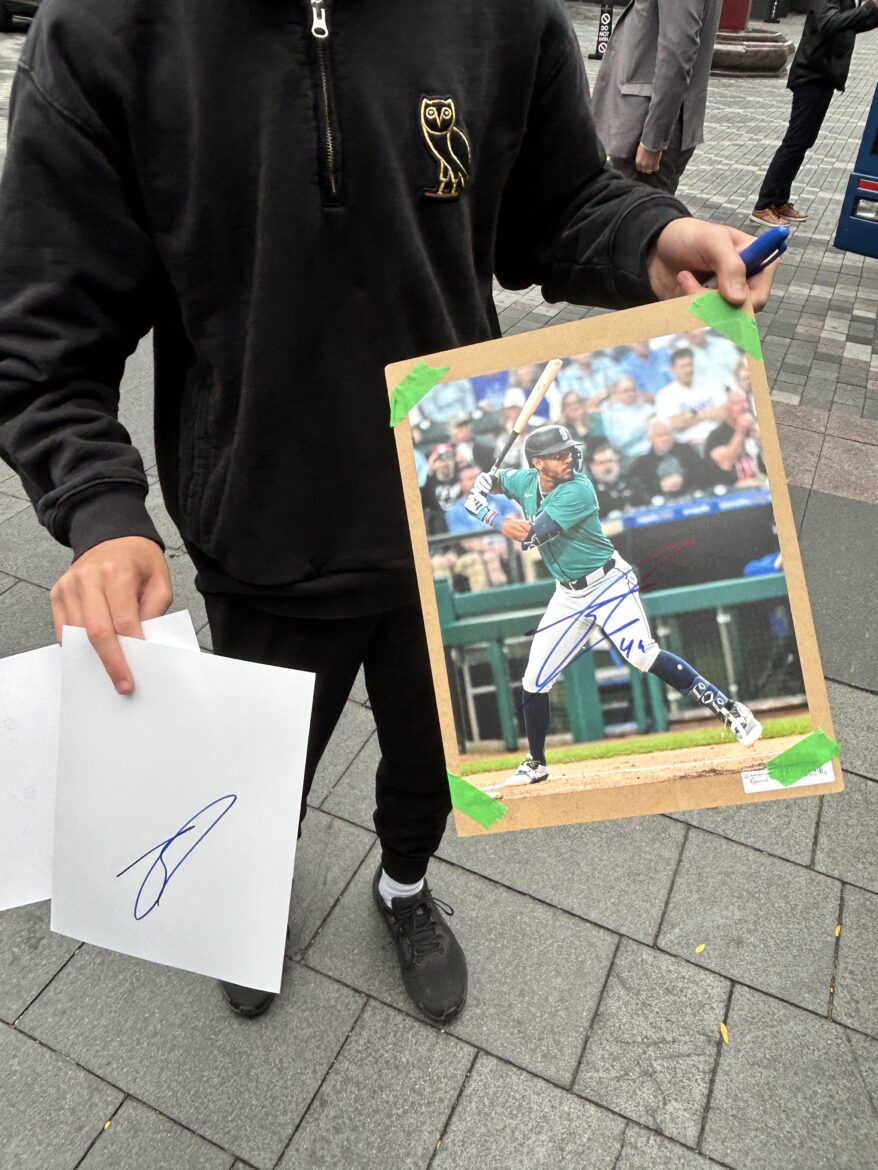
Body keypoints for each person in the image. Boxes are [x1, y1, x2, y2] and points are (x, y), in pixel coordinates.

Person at [0, 0, 774, 1024]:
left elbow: (560, 202)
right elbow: (42, 339)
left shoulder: (498, 15)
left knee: (434, 759)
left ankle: (402, 886)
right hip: (262, 528)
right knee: (254, 774)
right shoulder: (105, 29)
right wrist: (102, 512)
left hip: (450, 538)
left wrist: (647, 236)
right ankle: (248, 898)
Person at [464, 425, 763, 786]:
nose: (569, 458)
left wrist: (486, 514)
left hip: (609, 584)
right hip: (568, 595)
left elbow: (531, 535)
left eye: (569, 451)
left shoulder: (578, 489)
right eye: (559, 455)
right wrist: (487, 482)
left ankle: (729, 710)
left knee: (640, 654)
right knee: (534, 679)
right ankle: (536, 762)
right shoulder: (526, 480)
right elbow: (503, 480)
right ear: (538, 463)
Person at [751, 0, 878, 227]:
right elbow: (829, 24)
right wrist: (870, 8)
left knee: (803, 142)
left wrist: (873, 14)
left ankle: (779, 200)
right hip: (811, 76)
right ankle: (763, 205)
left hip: (824, 77)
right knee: (794, 142)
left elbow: (849, 26)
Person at [592, 0, 724, 194]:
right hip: (652, 123)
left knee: (636, 219)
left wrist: (652, 141)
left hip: (646, 127)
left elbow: (677, 53)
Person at [655, 347, 727, 450]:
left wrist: (691, 417)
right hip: (691, 446)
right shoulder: (664, 395)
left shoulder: (711, 385)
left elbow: (724, 413)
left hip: (720, 438)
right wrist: (708, 414)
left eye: (690, 365)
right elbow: (677, 424)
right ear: (673, 369)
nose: (688, 370)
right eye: (683, 366)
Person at [628, 417, 712, 501]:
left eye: (667, 434)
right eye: (660, 436)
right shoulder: (642, 463)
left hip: (692, 497)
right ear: (651, 439)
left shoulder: (687, 450)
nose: (665, 439)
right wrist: (660, 486)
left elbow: (703, 474)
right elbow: (639, 489)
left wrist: (683, 479)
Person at [704, 388, 765, 489]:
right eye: (737, 403)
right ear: (727, 409)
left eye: (745, 402)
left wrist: (760, 436)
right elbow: (726, 463)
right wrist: (741, 432)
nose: (744, 407)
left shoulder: (758, 428)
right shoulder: (716, 436)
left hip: (763, 484)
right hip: (733, 489)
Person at [598, 375, 655, 466]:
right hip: (631, 457)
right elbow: (618, 443)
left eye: (633, 390)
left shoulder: (645, 406)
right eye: (626, 391)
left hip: (654, 452)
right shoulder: (609, 412)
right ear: (616, 393)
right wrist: (644, 424)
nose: (631, 394)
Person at [587, 443, 644, 517]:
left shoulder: (632, 484)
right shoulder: (588, 493)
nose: (607, 466)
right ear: (592, 467)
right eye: (601, 463)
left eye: (610, 461)